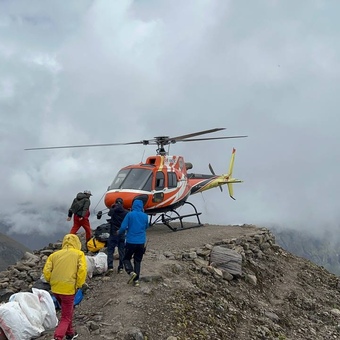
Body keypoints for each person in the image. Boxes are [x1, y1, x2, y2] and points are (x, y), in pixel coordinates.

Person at [43, 234, 87, 340]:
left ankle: (70, 334)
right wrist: (79, 285)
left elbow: (46, 271)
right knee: (66, 317)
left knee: (66, 312)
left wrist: (51, 281)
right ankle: (58, 337)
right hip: (68, 289)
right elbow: (82, 270)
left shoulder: (54, 255)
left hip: (55, 289)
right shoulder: (79, 254)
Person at [118, 199, 149, 287]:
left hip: (130, 241)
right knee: (137, 260)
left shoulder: (130, 214)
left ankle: (131, 272)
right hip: (141, 242)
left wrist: (119, 232)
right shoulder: (145, 216)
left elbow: (123, 227)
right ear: (142, 206)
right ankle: (136, 281)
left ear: (133, 206)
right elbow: (147, 226)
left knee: (126, 258)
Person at [107, 197, 129, 274]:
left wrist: (112, 207)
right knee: (121, 251)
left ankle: (110, 267)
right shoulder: (126, 212)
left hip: (113, 232)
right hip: (121, 233)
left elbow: (109, 214)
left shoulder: (113, 210)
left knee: (110, 250)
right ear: (122, 203)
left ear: (116, 202)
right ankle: (121, 268)